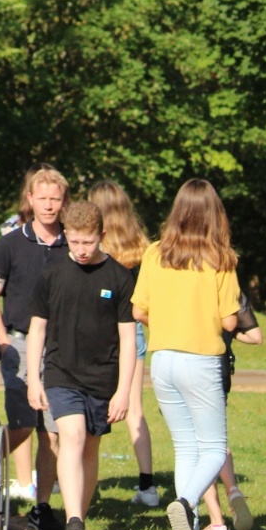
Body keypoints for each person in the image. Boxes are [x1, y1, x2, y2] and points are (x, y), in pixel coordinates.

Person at [130, 179, 242, 530]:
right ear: (215, 214)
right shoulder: (220, 258)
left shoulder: (155, 252)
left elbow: (138, 310)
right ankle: (186, 502)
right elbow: (230, 321)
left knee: (186, 448)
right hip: (201, 359)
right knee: (213, 448)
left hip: (163, 360)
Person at [24, 201, 137, 530]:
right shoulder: (52, 273)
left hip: (102, 377)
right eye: (74, 242)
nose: (82, 249)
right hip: (61, 373)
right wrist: (34, 378)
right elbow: (37, 330)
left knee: (90, 446)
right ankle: (73, 521)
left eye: (88, 242)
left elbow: (128, 339)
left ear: (102, 235)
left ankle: (79, 521)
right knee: (71, 435)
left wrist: (123, 392)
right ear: (66, 236)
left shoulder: (119, 278)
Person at [0, 165, 69, 530]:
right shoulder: (10, 243)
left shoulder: (72, 244)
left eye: (55, 199)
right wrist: (2, 337)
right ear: (30, 199)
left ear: (64, 202)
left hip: (59, 346)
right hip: (17, 341)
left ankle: (43, 505)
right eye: (43, 198)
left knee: (52, 431)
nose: (49, 206)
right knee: (22, 424)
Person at [86, 180, 156, 507]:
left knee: (84, 401)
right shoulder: (141, 246)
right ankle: (148, 485)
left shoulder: (94, 249)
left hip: (99, 333)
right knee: (134, 409)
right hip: (134, 330)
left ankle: (70, 477)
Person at [197, 293, 262, 530]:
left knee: (200, 450)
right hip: (221, 371)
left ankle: (217, 524)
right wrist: (229, 333)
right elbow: (255, 337)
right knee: (217, 440)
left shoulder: (189, 281)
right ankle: (233, 489)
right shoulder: (230, 290)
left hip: (194, 368)